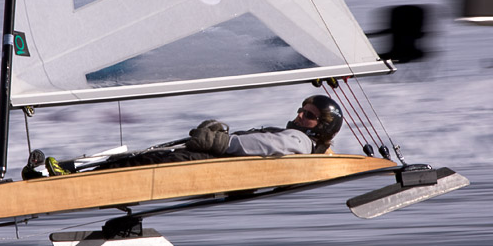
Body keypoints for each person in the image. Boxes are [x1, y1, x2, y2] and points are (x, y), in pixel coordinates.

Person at [22, 95, 343, 179]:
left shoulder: (300, 142)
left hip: (210, 164)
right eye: (302, 110)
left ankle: (59, 176)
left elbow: (259, 147)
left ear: (322, 126)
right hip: (211, 160)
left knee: (145, 160)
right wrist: (219, 133)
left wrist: (221, 141)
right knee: (139, 155)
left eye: (310, 115)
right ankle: (60, 170)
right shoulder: (299, 137)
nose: (301, 116)